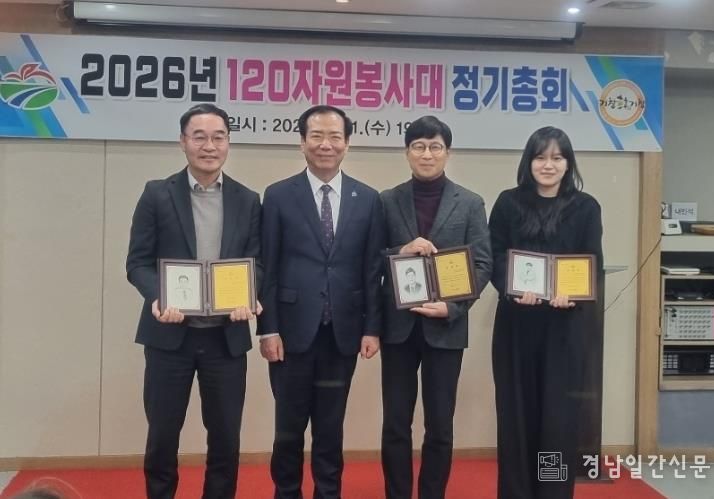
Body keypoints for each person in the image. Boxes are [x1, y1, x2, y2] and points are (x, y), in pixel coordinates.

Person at [126, 103, 262, 499]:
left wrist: (249, 295)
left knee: (225, 438)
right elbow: (137, 262)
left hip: (226, 339)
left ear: (229, 143)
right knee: (162, 436)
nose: (209, 146)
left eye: (218, 137)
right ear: (182, 142)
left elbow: (258, 263)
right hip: (169, 338)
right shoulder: (157, 194)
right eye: (199, 137)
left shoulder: (247, 199)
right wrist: (158, 296)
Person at [257, 104, 384, 499]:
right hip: (290, 333)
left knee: (331, 429)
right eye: (316, 136)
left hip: (342, 333)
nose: (325, 144)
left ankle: (328, 493)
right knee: (288, 429)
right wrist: (267, 329)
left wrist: (372, 328)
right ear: (302, 142)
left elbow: (372, 270)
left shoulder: (368, 199)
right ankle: (287, 493)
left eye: (334, 136)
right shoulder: (278, 196)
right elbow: (267, 267)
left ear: (347, 143)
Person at [379, 115, 492, 499]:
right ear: (407, 152)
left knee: (440, 425)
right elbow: (372, 259)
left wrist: (453, 308)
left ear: (448, 152)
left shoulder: (470, 203)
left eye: (435, 147)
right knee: (396, 423)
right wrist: (402, 250)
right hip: (398, 328)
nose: (427, 154)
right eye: (419, 146)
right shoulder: (387, 200)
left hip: (446, 327)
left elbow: (482, 264)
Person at [489, 126, 603, 499]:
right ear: (529, 162)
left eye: (556, 157)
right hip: (516, 328)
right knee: (515, 415)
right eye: (540, 157)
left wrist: (574, 295)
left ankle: (551, 491)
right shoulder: (507, 203)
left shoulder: (586, 208)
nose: (548, 165)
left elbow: (592, 263)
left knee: (557, 420)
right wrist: (512, 288)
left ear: (568, 163)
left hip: (564, 329)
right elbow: (495, 256)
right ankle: (516, 492)